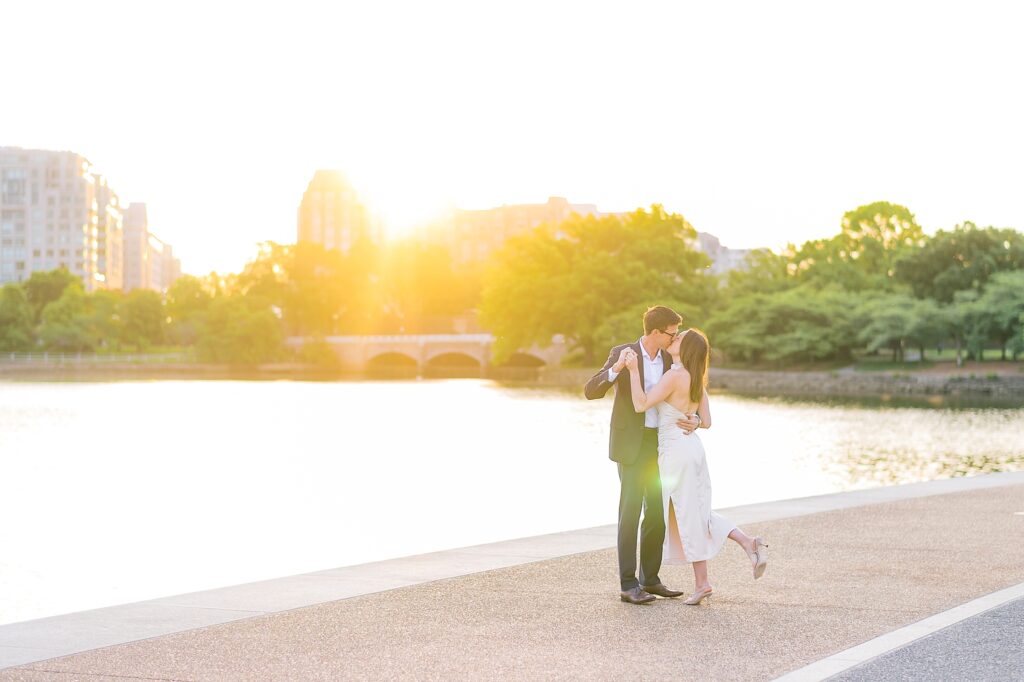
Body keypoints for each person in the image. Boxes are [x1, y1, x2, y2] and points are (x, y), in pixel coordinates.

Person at [624, 328, 768, 605]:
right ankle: (745, 543)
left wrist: (633, 370)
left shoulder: (674, 375)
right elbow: (708, 421)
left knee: (689, 514)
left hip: (676, 451)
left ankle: (704, 582)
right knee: (693, 512)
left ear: (686, 349)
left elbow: (641, 404)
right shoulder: (695, 379)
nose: (673, 339)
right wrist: (696, 422)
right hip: (692, 449)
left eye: (678, 338)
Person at [584, 306, 697, 605]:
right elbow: (590, 390)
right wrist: (617, 368)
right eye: (671, 333)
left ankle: (651, 579)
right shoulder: (623, 353)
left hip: (660, 445)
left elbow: (689, 394)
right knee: (630, 511)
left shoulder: (672, 360)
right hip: (631, 445)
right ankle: (627, 584)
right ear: (656, 332)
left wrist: (696, 419)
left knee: (658, 513)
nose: (674, 338)